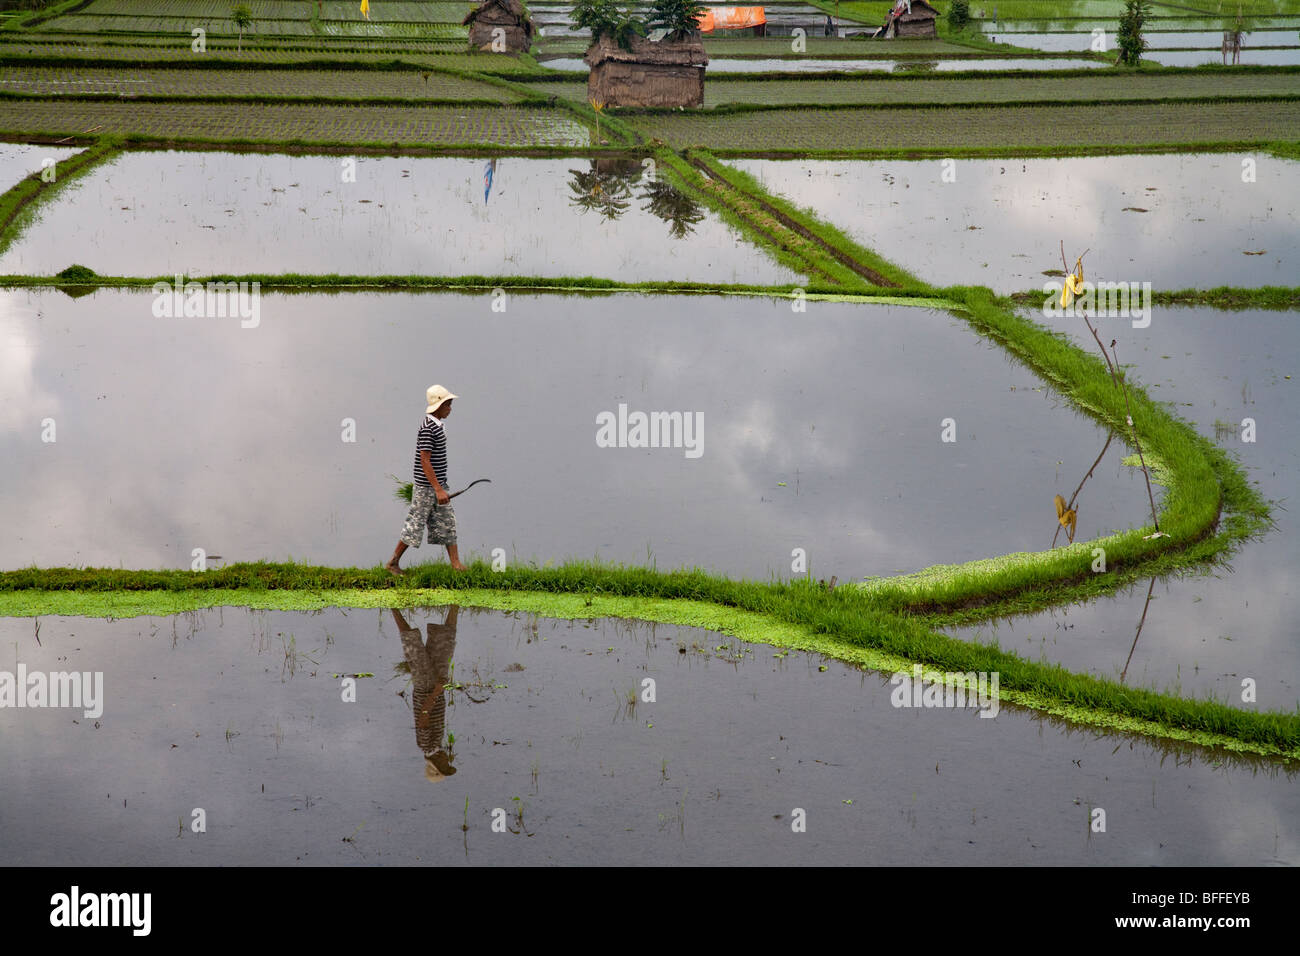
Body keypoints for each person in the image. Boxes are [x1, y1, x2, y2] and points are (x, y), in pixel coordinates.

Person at [386, 385, 467, 575]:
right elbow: (425, 460)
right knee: (415, 524)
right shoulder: (428, 428)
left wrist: (441, 486)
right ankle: (392, 563)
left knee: (448, 523)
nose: (450, 408)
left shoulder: (438, 425)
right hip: (426, 487)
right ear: (439, 406)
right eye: (448, 404)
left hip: (438, 484)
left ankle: (456, 564)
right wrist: (437, 489)